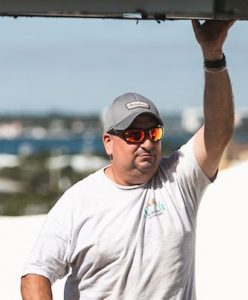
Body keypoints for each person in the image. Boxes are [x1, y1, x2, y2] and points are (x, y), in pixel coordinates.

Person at [21, 19, 235, 300]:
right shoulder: (78, 201)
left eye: (154, 133)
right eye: (134, 135)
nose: (147, 142)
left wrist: (213, 56)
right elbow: (35, 276)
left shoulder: (179, 179)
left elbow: (219, 130)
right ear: (108, 143)